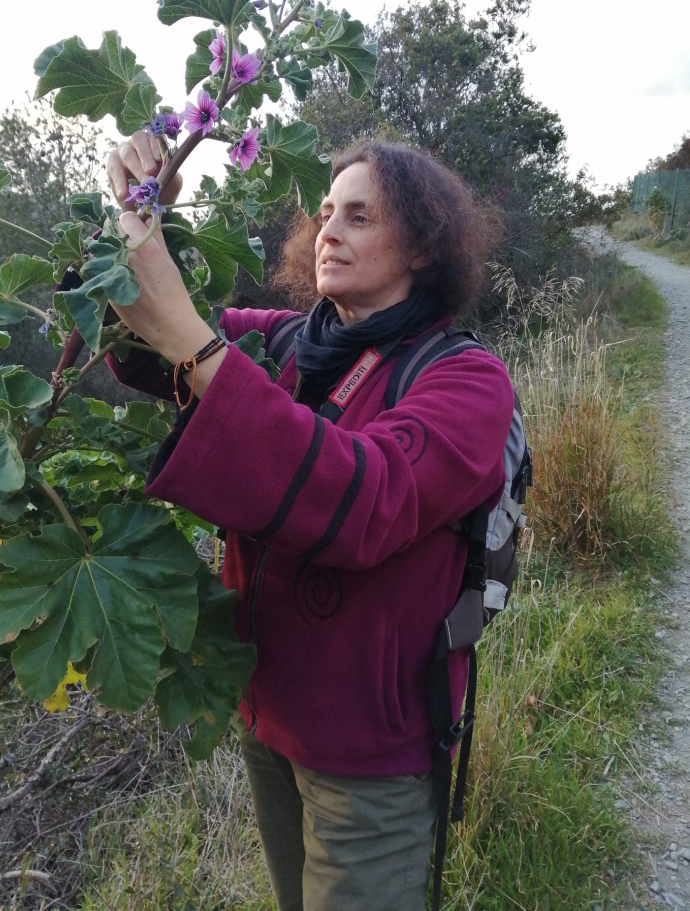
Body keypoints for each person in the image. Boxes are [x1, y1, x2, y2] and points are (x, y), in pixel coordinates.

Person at [105, 135, 515, 911]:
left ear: (424, 246)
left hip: (371, 761)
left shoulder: (465, 379)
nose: (329, 228)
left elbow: (364, 501)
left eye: (360, 216)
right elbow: (138, 345)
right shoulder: (290, 340)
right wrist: (137, 222)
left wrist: (190, 338)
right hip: (270, 720)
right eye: (326, 212)